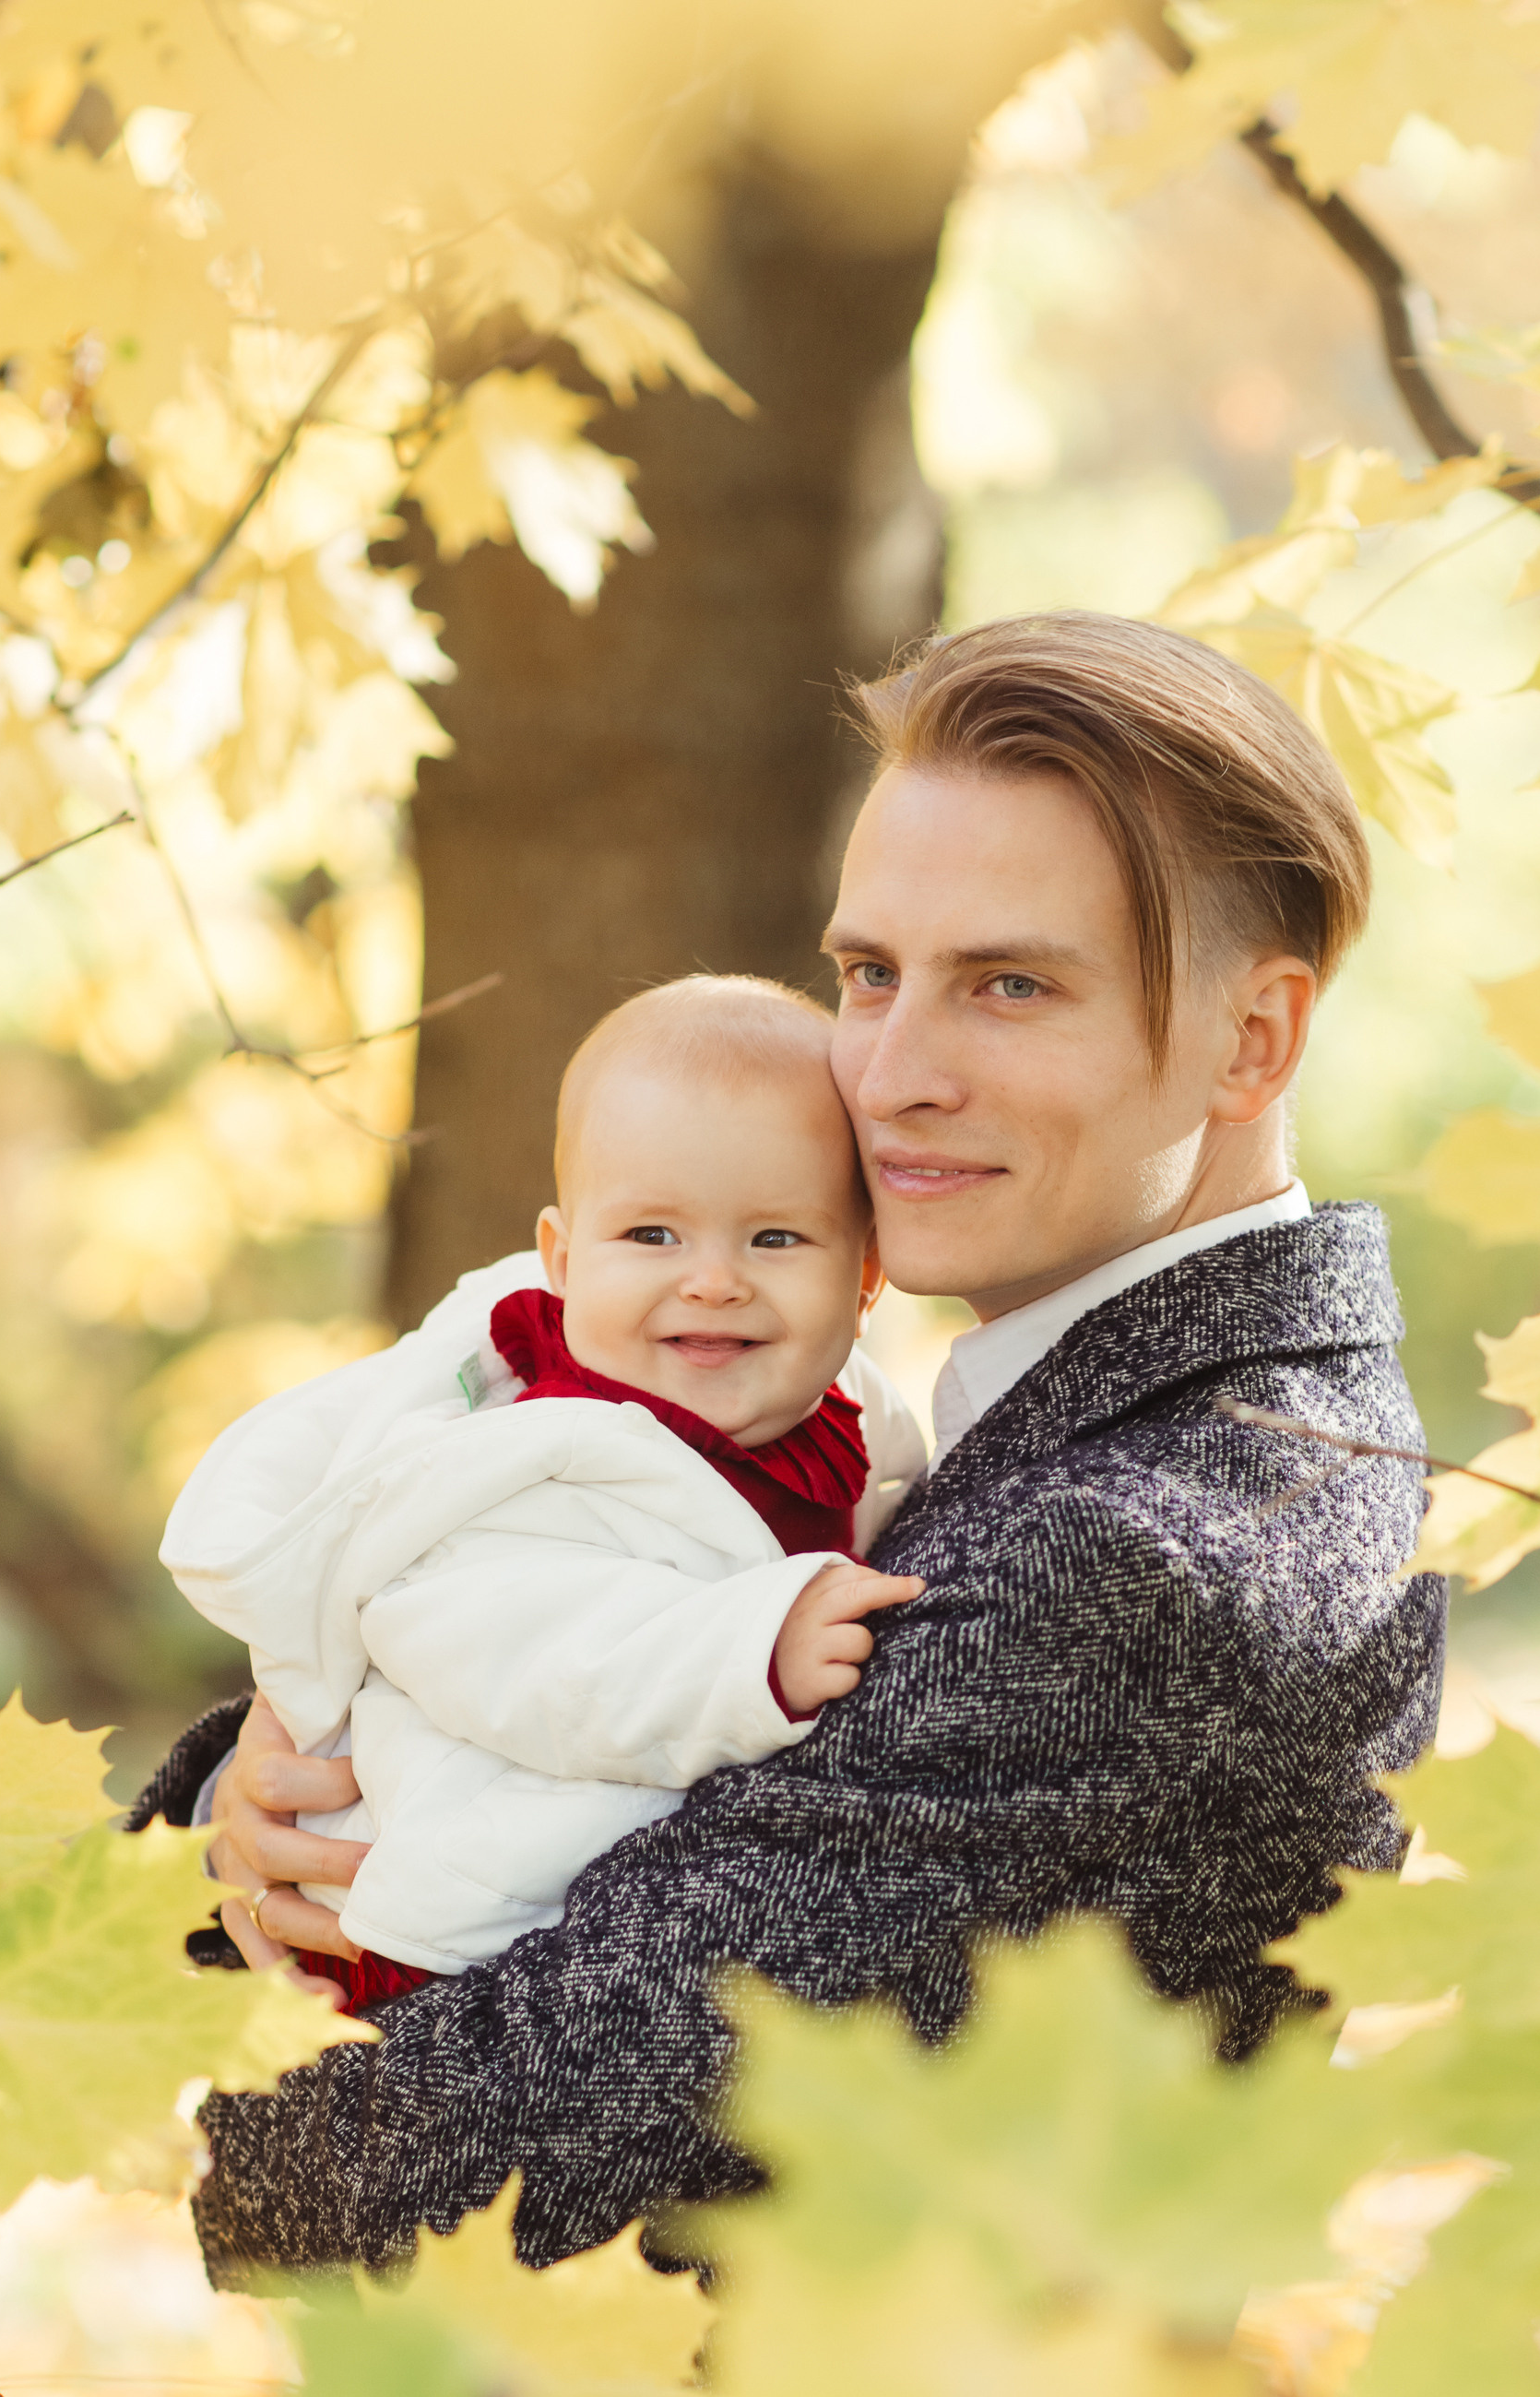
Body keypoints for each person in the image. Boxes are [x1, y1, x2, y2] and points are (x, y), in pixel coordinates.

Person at [132, 611, 1448, 2283]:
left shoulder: (1145, 1546)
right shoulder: (1142, 1420)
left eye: (1010, 985)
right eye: (869, 973)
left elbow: (422, 2167)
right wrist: (255, 1797)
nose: (888, 1076)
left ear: (1251, 1039)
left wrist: (191, 2024)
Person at [158, 976, 925, 2010]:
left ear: (865, 1279)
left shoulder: (850, 1426)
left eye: (775, 1239)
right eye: (652, 1236)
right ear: (563, 1262)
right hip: (441, 1928)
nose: (713, 1281)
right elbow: (539, 1652)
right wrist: (750, 1651)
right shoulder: (517, 1459)